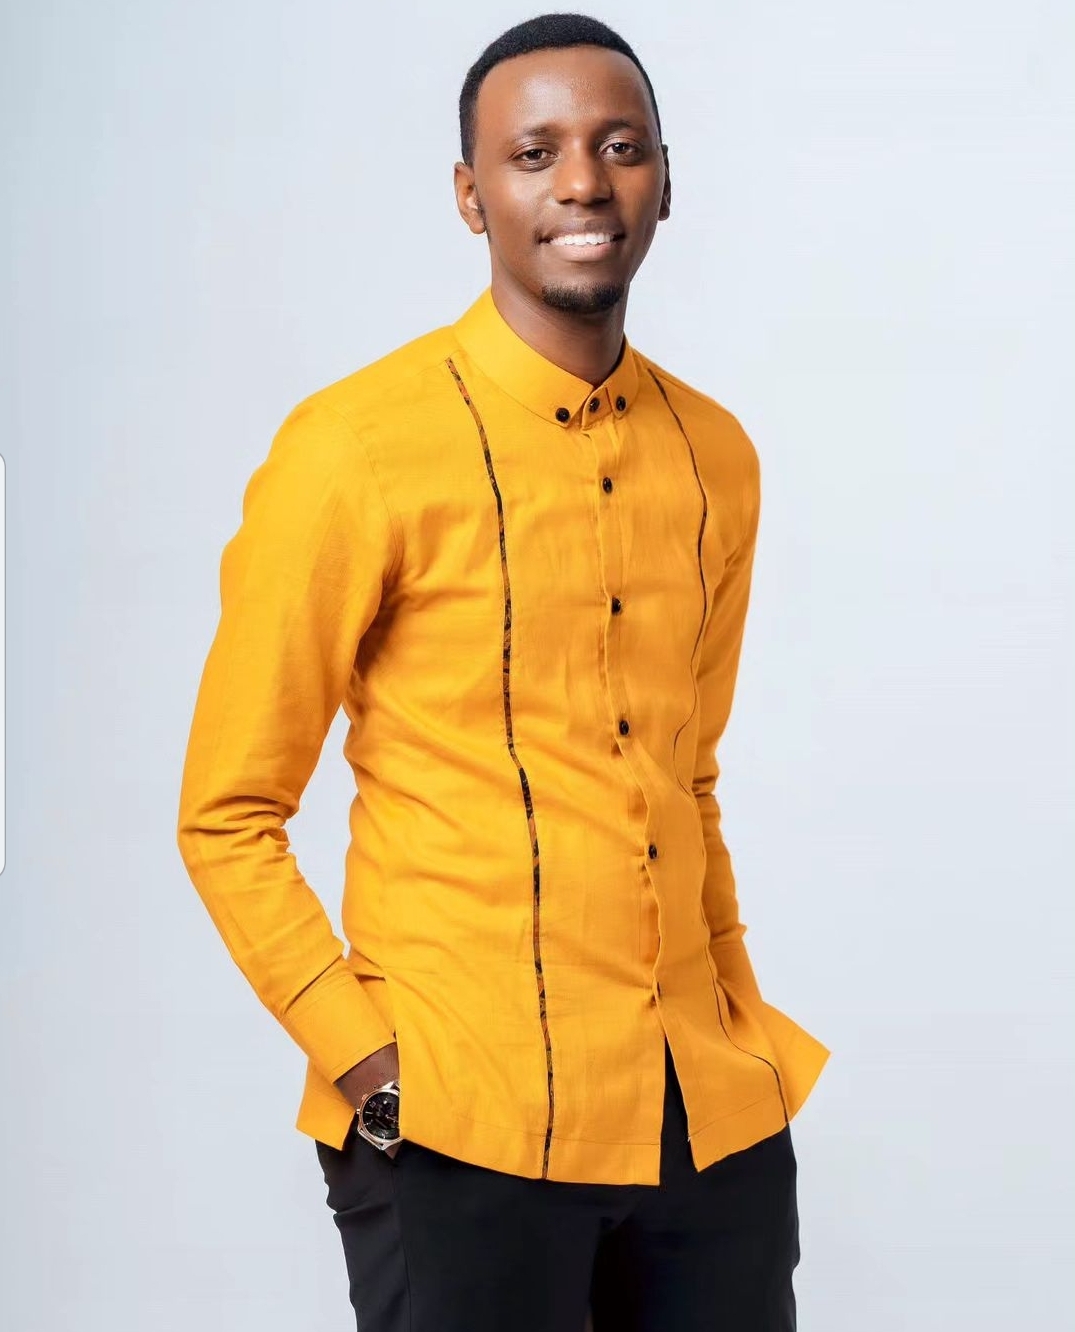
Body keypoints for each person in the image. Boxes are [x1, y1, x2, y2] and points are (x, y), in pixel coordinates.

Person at [176, 12, 829, 1331]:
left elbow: (685, 777)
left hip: (704, 1120)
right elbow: (227, 815)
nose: (582, 182)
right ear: (473, 196)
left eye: (619, 147)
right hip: (459, 1125)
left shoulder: (716, 456)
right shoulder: (356, 450)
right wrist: (367, 1065)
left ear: (664, 182)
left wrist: (734, 1025)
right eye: (534, 154)